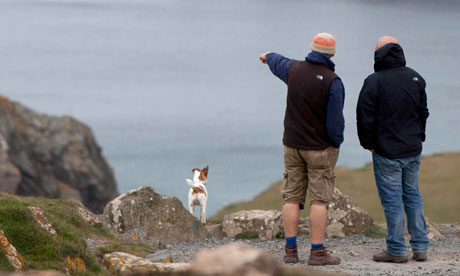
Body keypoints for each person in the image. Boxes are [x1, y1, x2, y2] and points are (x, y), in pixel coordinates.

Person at [259, 32, 345, 265]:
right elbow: (335, 123)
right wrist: (335, 143)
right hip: (319, 149)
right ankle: (317, 253)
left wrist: (267, 55)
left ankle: (290, 251)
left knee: (292, 197)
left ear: (312, 49)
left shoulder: (293, 70)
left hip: (292, 145)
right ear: (333, 53)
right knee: (319, 200)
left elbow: (278, 60)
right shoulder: (332, 81)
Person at [356, 36, 430, 263]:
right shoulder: (416, 78)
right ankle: (420, 247)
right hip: (412, 148)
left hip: (387, 151)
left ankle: (397, 250)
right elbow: (423, 112)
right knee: (413, 195)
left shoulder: (374, 81)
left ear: (378, 55)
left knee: (392, 200)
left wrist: (367, 143)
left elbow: (364, 117)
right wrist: (420, 136)